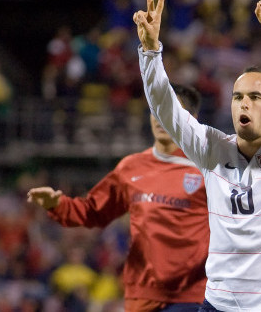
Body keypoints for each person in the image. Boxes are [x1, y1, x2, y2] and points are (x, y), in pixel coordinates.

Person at [133, 0, 261, 312]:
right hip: (218, 305)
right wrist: (150, 53)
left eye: (255, 97)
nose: (243, 102)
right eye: (237, 96)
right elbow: (167, 110)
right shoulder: (213, 149)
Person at [27, 83, 209, 312]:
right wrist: (57, 204)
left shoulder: (209, 168)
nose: (161, 117)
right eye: (157, 109)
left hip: (190, 298)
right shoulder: (131, 167)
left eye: (171, 110)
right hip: (140, 298)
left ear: (191, 118)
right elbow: (93, 210)